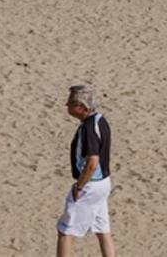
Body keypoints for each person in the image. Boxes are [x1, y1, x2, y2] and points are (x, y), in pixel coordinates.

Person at [58, 85, 115, 256]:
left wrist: (80, 187)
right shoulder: (100, 120)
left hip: (90, 185)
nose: (66, 105)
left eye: (70, 103)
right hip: (104, 184)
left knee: (65, 231)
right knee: (103, 230)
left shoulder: (89, 128)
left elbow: (92, 162)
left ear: (81, 107)